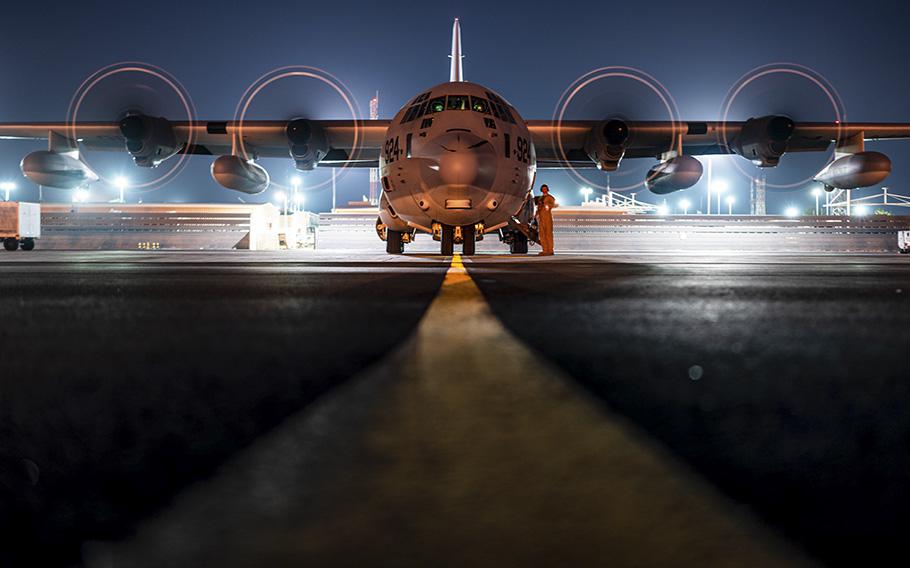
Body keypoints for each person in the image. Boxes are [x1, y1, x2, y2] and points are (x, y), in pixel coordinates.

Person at [534, 184, 558, 255]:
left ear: (547, 189)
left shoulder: (550, 197)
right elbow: (538, 207)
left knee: (548, 234)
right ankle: (545, 250)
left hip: (547, 217)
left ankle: (550, 250)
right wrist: (536, 214)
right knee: (542, 234)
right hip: (541, 218)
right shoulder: (540, 198)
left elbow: (553, 204)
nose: (544, 190)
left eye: (545, 189)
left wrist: (548, 206)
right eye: (543, 189)